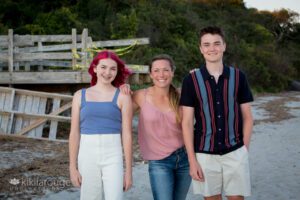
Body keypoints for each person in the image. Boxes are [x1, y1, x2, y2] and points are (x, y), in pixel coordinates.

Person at [180, 26, 254, 200]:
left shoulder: (238, 77)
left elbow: (248, 117)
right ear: (200, 49)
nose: (211, 48)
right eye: (206, 44)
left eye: (216, 43)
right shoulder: (191, 80)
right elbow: (187, 122)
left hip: (235, 151)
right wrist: (192, 160)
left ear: (224, 46)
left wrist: (244, 149)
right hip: (204, 154)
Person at [121, 54, 191, 200]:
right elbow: (117, 111)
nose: (161, 74)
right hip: (159, 162)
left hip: (185, 158)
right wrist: (122, 88)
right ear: (151, 74)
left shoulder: (181, 94)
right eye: (156, 70)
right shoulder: (141, 96)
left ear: (172, 72)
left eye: (166, 70)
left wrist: (198, 76)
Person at [69, 50, 133, 200]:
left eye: (113, 69)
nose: (107, 72)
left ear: (117, 72)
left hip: (113, 154)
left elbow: (127, 134)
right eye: (103, 67)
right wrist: (72, 167)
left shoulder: (123, 96)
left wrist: (128, 172)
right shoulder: (80, 95)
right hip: (87, 155)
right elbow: (74, 133)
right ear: (95, 68)